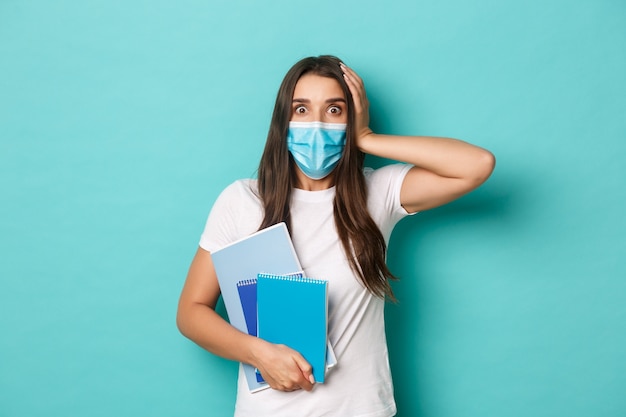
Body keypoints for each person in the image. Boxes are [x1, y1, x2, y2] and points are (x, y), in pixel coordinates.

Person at [177, 55, 495, 416]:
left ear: (352, 117)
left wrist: (367, 138)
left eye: (333, 110)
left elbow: (476, 165)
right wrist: (257, 352)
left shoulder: (377, 193)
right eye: (301, 110)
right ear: (283, 122)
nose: (315, 125)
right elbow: (191, 311)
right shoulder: (243, 201)